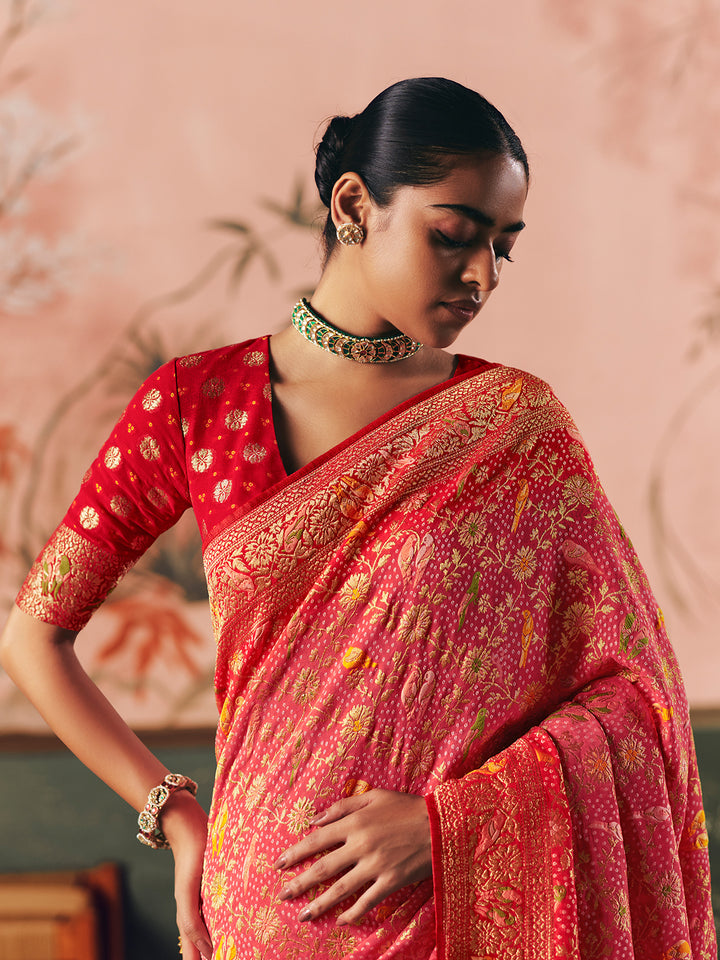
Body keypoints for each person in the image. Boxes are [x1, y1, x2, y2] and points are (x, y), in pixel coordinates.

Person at [0, 78, 714, 960]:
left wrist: (445, 825)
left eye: (503, 247)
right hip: (263, 912)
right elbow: (33, 638)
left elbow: (635, 700)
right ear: (352, 205)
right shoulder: (197, 404)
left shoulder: (514, 430)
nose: (482, 274)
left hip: (452, 912)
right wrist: (176, 815)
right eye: (454, 235)